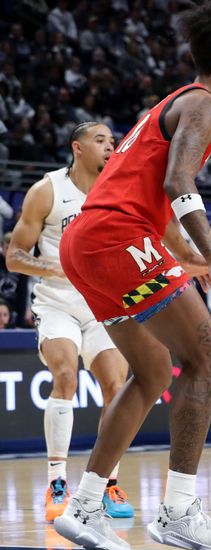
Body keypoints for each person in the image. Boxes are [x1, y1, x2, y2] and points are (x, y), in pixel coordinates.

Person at [53, 2, 211, 550]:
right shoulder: (205, 105)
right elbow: (178, 182)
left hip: (87, 242)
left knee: (153, 370)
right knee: (207, 359)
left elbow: (155, 202)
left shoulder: (168, 105)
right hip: (116, 238)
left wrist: (188, 255)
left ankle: (85, 505)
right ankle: (179, 510)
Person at [6, 123, 135, 523]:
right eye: (101, 141)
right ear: (77, 148)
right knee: (66, 375)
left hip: (104, 303)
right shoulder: (47, 190)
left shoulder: (118, 190)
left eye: (113, 142)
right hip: (57, 302)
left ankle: (107, 482)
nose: (110, 147)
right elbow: (14, 256)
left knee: (118, 386)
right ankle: (57, 481)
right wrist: (58, 268)